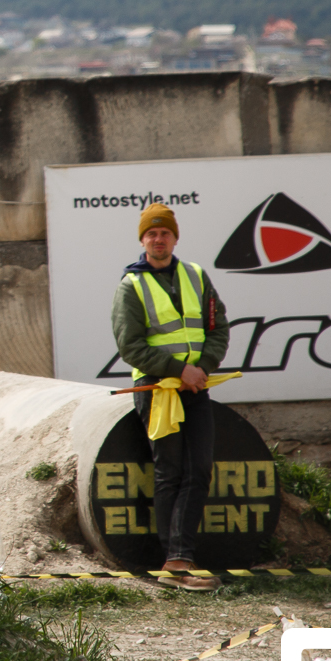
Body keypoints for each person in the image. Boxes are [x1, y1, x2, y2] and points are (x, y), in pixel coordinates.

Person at [111, 202, 230, 591]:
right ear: (143, 240)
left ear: (175, 238)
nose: (158, 239)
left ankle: (180, 559)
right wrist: (180, 371)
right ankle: (175, 563)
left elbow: (218, 328)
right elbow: (130, 346)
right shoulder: (132, 286)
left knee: (200, 471)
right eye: (151, 233)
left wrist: (201, 369)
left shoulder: (195, 275)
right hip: (158, 390)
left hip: (194, 387)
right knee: (170, 472)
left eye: (164, 232)